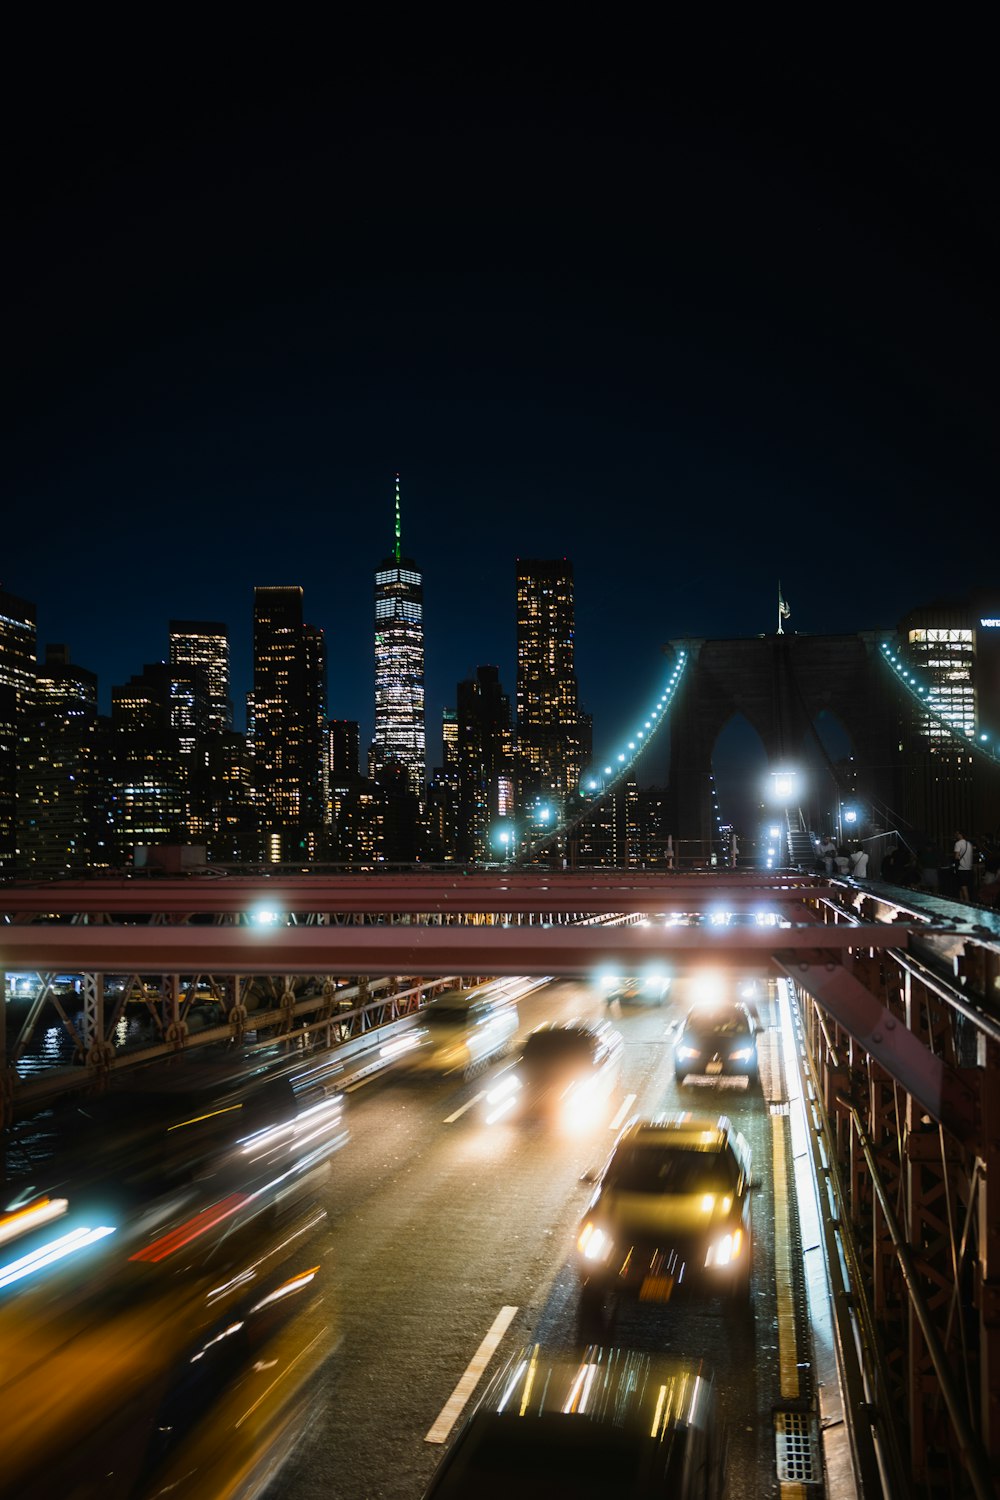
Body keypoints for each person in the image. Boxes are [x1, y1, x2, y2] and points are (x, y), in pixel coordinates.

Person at [953, 829, 974, 902]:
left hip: (961, 869)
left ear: (960, 834)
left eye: (957, 833)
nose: (955, 835)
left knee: (963, 887)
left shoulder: (958, 843)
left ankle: (967, 904)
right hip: (969, 869)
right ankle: (962, 902)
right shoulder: (969, 843)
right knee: (963, 887)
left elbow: (956, 857)